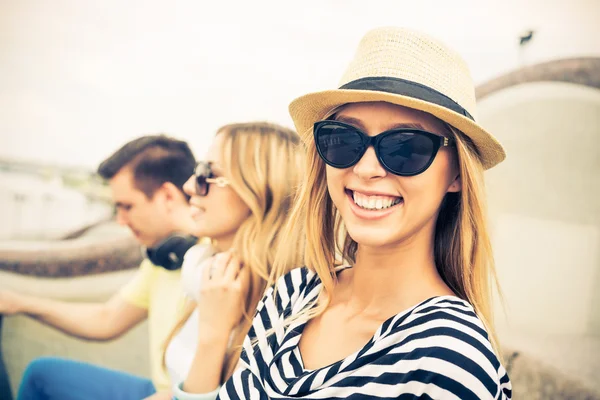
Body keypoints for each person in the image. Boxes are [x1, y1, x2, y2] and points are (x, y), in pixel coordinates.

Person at [203, 27, 513, 399]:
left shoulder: (452, 359)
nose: (366, 169)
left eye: (406, 147)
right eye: (343, 139)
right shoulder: (292, 293)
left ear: (458, 174)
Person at [1, 135, 197, 400]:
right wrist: (19, 304)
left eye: (127, 206)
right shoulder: (163, 258)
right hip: (157, 390)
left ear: (167, 196)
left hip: (183, 395)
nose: (120, 220)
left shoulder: (215, 260)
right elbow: (107, 319)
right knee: (42, 375)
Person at [157, 122, 305, 400]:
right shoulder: (212, 272)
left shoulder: (281, 311)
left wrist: (214, 335)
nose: (190, 186)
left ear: (261, 192)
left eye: (207, 175)